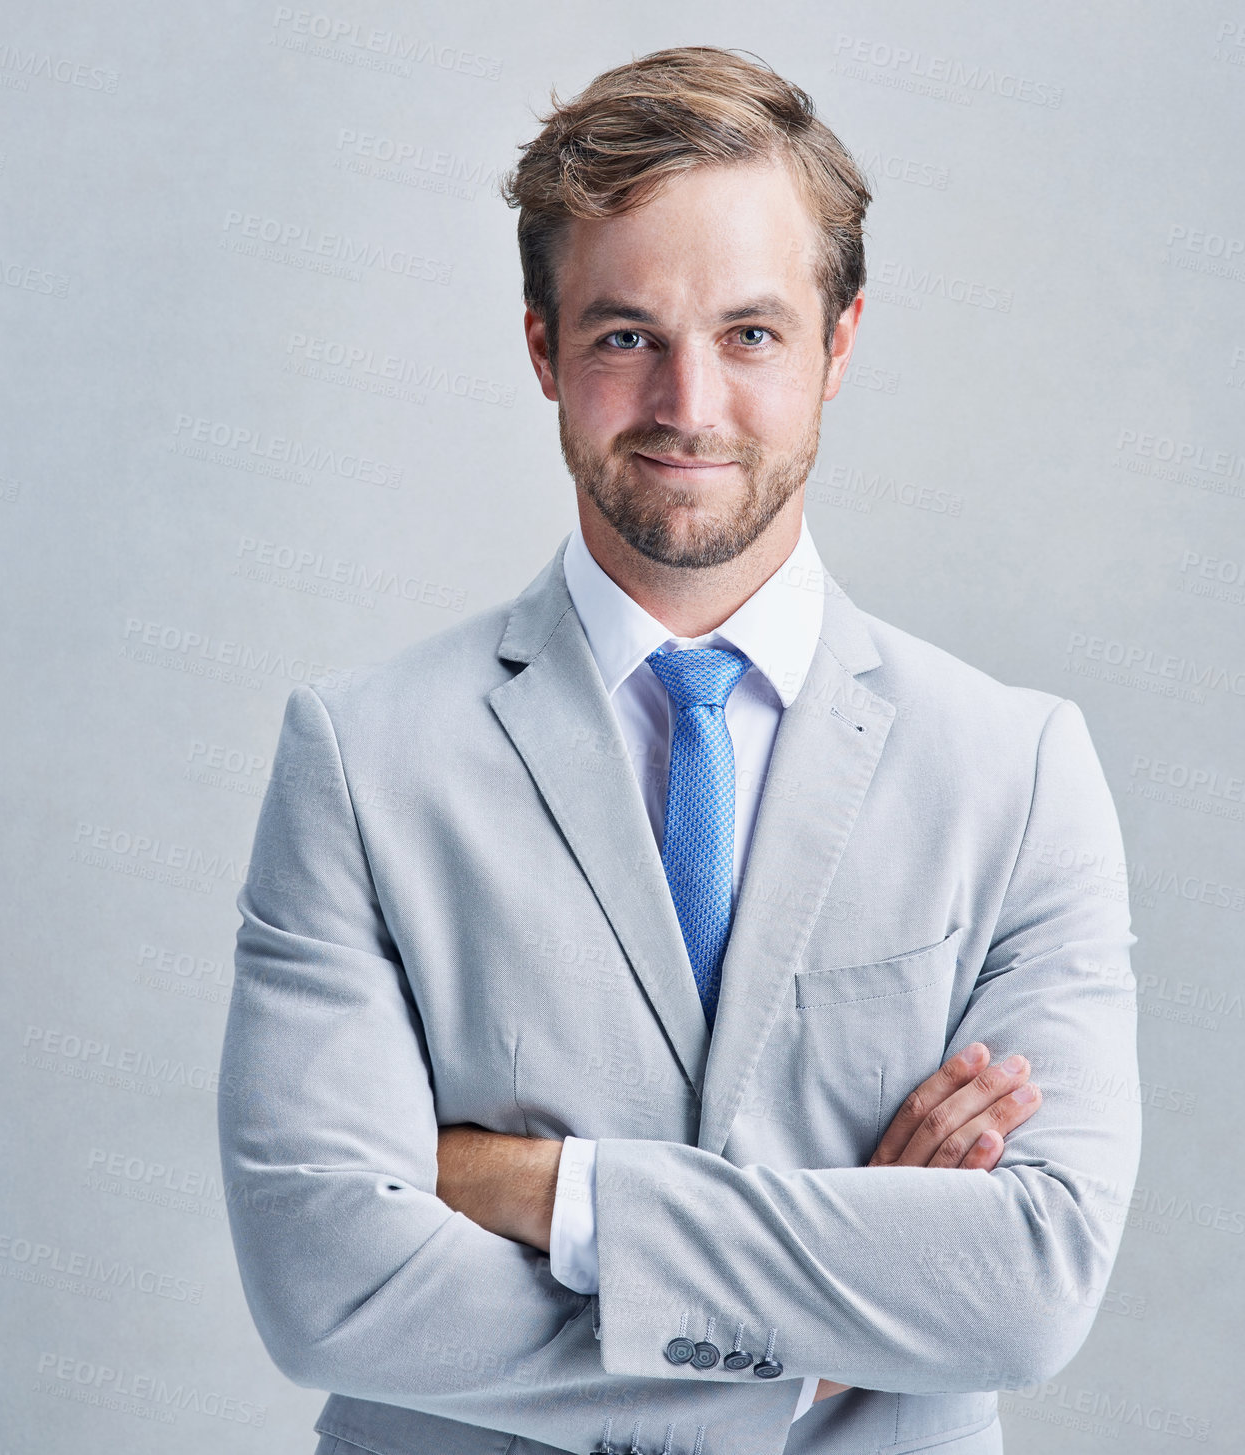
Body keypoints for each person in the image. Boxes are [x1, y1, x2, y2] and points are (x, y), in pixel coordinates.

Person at [218, 46, 1140, 1455]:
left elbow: (1029, 1282)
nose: (688, 406)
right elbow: (326, 1286)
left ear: (838, 345)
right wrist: (824, 1333)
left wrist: (548, 1193)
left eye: (751, 335)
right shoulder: (359, 758)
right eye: (624, 335)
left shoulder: (1015, 774)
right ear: (542, 348)